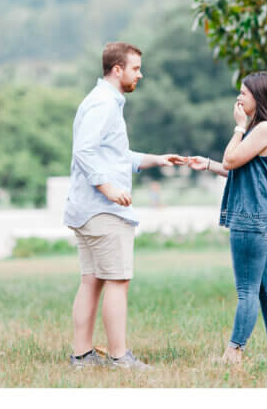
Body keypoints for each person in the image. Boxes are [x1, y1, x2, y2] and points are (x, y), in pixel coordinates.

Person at [63, 41, 182, 369]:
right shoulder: (104, 104)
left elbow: (113, 155)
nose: (140, 75)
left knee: (92, 280)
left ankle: (82, 355)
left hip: (87, 208)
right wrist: (109, 189)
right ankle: (119, 357)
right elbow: (84, 152)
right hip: (102, 209)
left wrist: (157, 160)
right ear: (117, 70)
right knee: (118, 280)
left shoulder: (102, 101)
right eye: (135, 69)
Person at [185, 71, 267, 364]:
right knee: (265, 288)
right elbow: (234, 167)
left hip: (251, 218)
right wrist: (206, 164)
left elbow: (232, 158)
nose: (239, 97)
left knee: (247, 291)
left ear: (260, 97)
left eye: (244, 93)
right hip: (263, 217)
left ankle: (234, 352)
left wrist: (238, 127)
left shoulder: (262, 128)